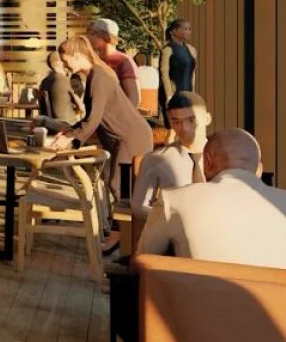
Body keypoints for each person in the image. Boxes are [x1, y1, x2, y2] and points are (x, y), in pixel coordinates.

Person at [138, 129, 286, 269]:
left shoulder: (172, 199)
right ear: (259, 169)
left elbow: (141, 264)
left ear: (207, 163)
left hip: (197, 288)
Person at [50, 35, 154, 200]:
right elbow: (93, 117)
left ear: (77, 56)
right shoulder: (95, 75)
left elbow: (94, 118)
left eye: (65, 60)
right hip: (129, 137)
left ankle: (128, 216)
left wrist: (70, 137)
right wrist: (69, 131)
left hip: (130, 139)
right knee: (124, 189)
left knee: (120, 187)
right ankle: (122, 216)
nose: (63, 65)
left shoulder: (98, 77)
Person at [130, 91, 209, 221]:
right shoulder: (155, 159)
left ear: (207, 119)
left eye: (191, 120)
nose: (184, 128)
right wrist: (171, 219)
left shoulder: (227, 155)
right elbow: (139, 208)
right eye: (176, 122)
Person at [86, 18, 141, 107]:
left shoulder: (124, 61)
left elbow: (134, 99)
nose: (88, 38)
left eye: (92, 34)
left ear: (103, 36)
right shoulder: (95, 61)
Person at [159, 19, 198, 120]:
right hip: (173, 94)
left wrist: (192, 93)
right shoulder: (167, 49)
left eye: (189, 29)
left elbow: (192, 73)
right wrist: (169, 96)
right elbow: (164, 73)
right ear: (174, 31)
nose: (188, 32)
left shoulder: (192, 50)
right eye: (185, 29)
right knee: (174, 124)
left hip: (187, 94)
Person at [37, 51, 82, 131]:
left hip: (49, 125)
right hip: (67, 125)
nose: (67, 64)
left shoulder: (44, 82)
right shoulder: (63, 79)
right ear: (58, 63)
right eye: (64, 61)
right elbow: (81, 108)